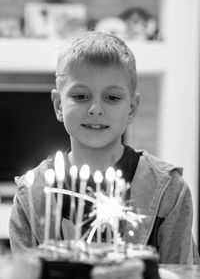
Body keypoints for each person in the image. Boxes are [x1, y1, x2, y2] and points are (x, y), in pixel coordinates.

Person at [9, 31, 199, 264]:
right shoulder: (31, 193)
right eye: (80, 96)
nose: (95, 108)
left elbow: (181, 272)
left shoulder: (169, 190)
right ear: (59, 105)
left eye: (111, 97)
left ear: (132, 108)